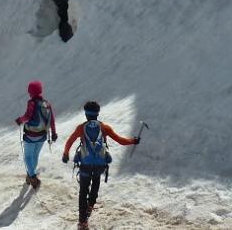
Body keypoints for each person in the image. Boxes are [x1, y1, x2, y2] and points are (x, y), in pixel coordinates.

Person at [61, 101, 139, 229]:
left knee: (83, 192)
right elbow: (121, 141)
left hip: (85, 165)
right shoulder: (104, 127)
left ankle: (82, 222)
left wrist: (65, 154)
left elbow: (70, 141)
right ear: (97, 113)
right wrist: (134, 140)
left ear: (86, 114)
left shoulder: (81, 128)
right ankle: (90, 206)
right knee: (95, 184)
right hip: (99, 164)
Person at [14, 80, 56, 188]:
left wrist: (20, 120)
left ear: (31, 92)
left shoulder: (32, 103)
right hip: (42, 135)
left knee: (28, 156)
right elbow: (51, 119)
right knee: (35, 155)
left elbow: (28, 116)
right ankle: (30, 175)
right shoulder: (46, 104)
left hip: (30, 135)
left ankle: (32, 177)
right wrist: (54, 133)